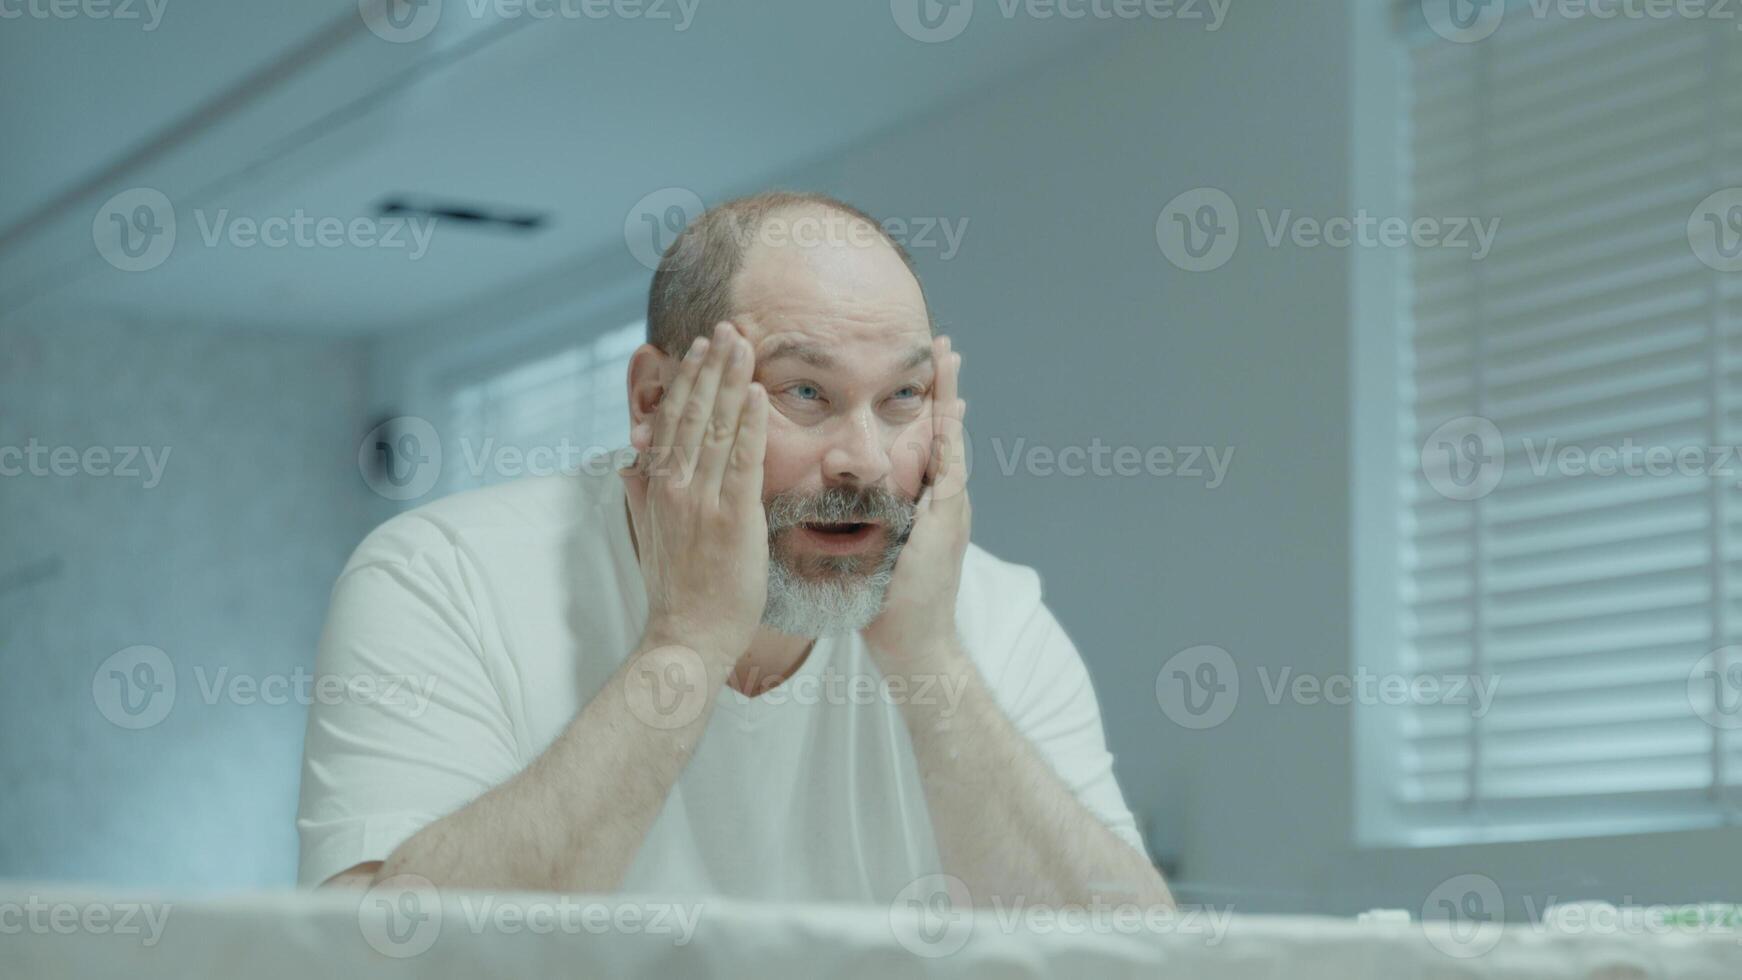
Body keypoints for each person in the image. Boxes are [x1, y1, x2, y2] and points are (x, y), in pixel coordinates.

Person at [296, 190, 1172, 908]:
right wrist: (686, 641)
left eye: (904, 397)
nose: (865, 460)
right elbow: (378, 961)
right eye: (805, 392)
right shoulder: (441, 578)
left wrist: (928, 657)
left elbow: (1133, 969)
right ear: (653, 401)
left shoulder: (991, 613)